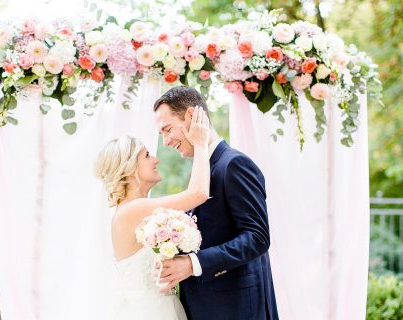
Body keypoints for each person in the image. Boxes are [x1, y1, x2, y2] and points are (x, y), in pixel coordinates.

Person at [153, 86, 279, 320]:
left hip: (238, 309)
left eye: (167, 130)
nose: (166, 141)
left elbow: (257, 237)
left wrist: (193, 264)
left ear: (191, 116)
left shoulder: (234, 164)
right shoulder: (203, 168)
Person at [95, 107, 210, 320]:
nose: (156, 159)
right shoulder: (133, 209)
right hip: (149, 311)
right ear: (129, 168)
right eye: (147, 155)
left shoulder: (136, 208)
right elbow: (198, 193)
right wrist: (201, 143)